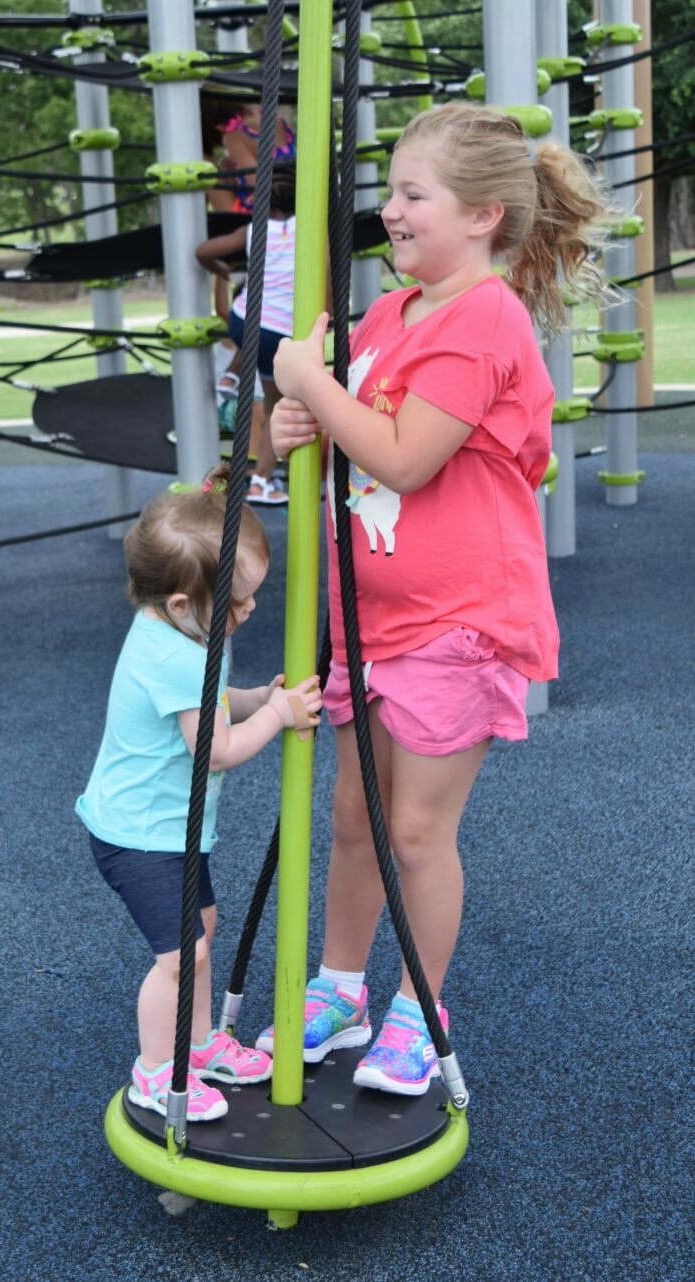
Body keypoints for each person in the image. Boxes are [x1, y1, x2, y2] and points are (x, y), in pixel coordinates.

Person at [260, 102, 612, 1096]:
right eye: (394, 191)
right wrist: (287, 418)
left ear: (485, 216)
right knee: (355, 817)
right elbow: (319, 434)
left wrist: (308, 381)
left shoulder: (484, 317)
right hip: (368, 622)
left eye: (415, 195)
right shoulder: (385, 315)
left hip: (461, 618)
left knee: (415, 828)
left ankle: (419, 1004)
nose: (393, 210)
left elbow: (407, 460)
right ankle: (340, 986)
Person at [76, 465, 321, 1123]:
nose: (250, 611)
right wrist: (280, 717)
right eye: (238, 602)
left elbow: (214, 705)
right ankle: (155, 1074)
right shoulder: (178, 654)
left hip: (171, 829)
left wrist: (260, 698)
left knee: (203, 933)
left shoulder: (182, 633)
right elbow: (215, 749)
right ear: (183, 603)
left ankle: (202, 1042)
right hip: (138, 837)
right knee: (184, 957)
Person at [196, 169, 297, 506]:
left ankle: (231, 374)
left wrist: (221, 271)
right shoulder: (310, 233)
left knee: (253, 335)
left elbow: (204, 251)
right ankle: (262, 482)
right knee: (276, 408)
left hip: (243, 320)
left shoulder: (253, 231)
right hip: (275, 331)